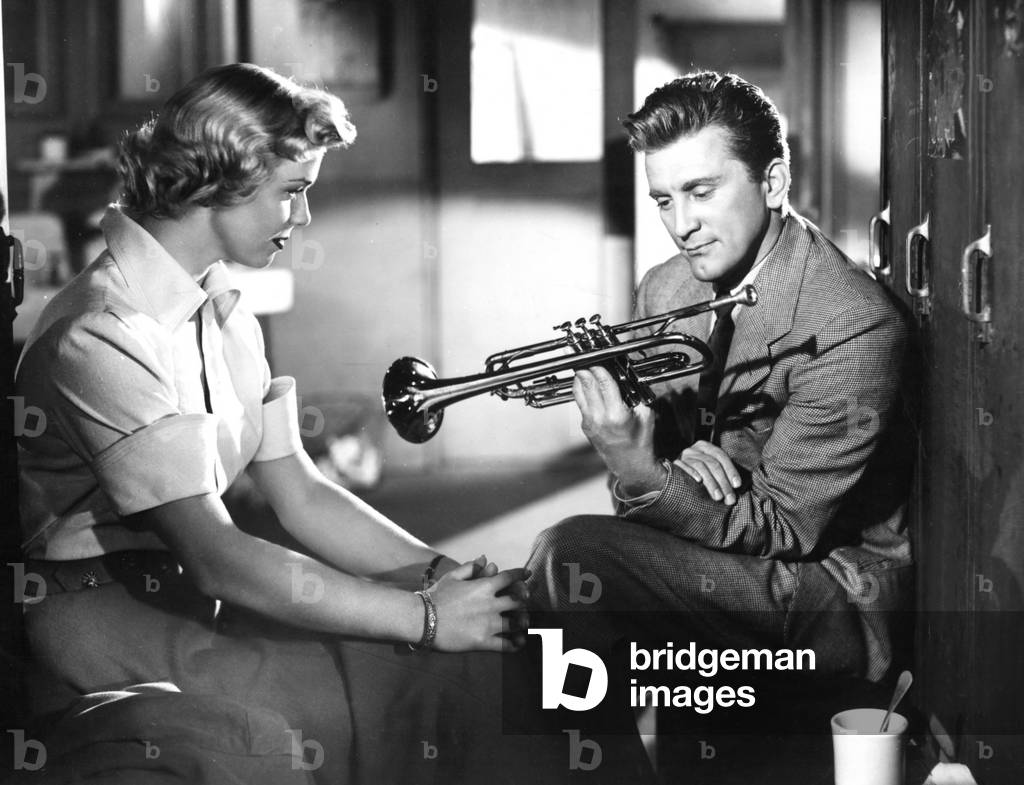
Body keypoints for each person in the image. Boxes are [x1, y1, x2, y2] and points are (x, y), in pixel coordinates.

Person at [12, 63, 652, 785]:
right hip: (101, 626)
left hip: (196, 604)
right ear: (218, 178)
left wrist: (443, 576)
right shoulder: (99, 333)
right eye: (294, 192)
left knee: (520, 652)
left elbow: (301, 491)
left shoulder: (219, 309)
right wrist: (429, 619)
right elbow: (218, 555)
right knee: (406, 686)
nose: (304, 218)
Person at [527, 71, 915, 687]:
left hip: (826, 583)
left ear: (773, 182)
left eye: (701, 192)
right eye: (663, 199)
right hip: (717, 542)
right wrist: (657, 467)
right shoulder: (665, 285)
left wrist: (640, 469)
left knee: (570, 554)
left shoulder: (853, 322)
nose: (681, 224)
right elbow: (656, 491)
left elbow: (784, 526)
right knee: (552, 592)